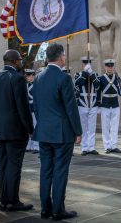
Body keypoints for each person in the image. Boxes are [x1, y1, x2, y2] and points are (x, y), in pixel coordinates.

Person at [32, 43, 82, 221]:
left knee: (46, 170)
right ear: (60, 57)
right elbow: (71, 108)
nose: (65, 58)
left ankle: (45, 208)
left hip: (44, 132)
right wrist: (78, 131)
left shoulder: (38, 78)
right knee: (60, 171)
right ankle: (57, 210)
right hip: (62, 133)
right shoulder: (63, 78)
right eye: (64, 56)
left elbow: (36, 107)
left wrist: (44, 124)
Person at [0, 50, 34, 211]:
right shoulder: (17, 79)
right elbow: (23, 107)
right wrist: (30, 128)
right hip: (15, 130)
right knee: (14, 166)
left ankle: (4, 199)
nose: (21, 62)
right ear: (14, 61)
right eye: (20, 60)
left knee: (3, 164)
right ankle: (12, 201)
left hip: (0, 128)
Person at [98, 59, 121, 154]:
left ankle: (113, 145)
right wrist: (98, 104)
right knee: (105, 127)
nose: (110, 68)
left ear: (113, 67)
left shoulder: (117, 78)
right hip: (105, 104)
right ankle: (107, 146)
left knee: (114, 126)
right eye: (108, 66)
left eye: (111, 66)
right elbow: (98, 92)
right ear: (105, 67)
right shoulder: (101, 78)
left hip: (115, 104)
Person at [74, 56, 100, 156]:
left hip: (93, 104)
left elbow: (98, 85)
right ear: (83, 64)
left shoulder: (95, 74)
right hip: (82, 104)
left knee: (92, 127)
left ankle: (91, 147)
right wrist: (85, 73)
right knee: (84, 127)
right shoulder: (78, 74)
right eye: (85, 63)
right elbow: (78, 84)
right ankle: (84, 147)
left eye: (88, 63)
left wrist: (92, 74)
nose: (86, 64)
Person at [25, 69, 39, 154]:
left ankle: (36, 146)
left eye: (29, 76)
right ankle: (29, 145)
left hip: (35, 109)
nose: (27, 77)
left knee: (36, 127)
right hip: (28, 109)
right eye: (27, 76)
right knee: (29, 128)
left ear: (33, 75)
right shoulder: (26, 85)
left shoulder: (37, 85)